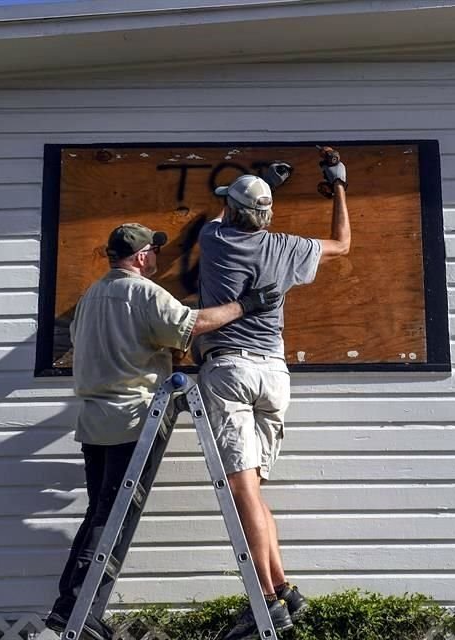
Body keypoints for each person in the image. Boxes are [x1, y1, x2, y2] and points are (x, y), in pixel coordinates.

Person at [46, 222, 282, 637]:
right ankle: (79, 612)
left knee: (99, 513)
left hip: (94, 419)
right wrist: (246, 304)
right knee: (113, 518)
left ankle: (72, 605)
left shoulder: (92, 295)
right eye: (153, 251)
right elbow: (192, 325)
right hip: (131, 419)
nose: (157, 257)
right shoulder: (144, 293)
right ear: (139, 257)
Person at [197, 156, 351, 640]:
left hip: (231, 368)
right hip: (274, 373)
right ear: (268, 215)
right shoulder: (287, 247)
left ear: (236, 211)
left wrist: (262, 183)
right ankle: (283, 587)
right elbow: (344, 244)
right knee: (255, 489)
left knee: (242, 489)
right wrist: (338, 186)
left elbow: (217, 216)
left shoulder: (216, 240)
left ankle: (264, 600)